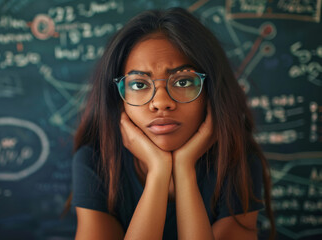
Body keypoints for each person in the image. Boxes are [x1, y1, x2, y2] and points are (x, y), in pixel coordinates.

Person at [70, 7, 275, 240]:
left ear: (211, 93)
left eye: (183, 81)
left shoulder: (238, 164)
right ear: (118, 100)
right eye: (138, 84)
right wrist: (159, 172)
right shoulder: (95, 162)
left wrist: (184, 168)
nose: (160, 103)